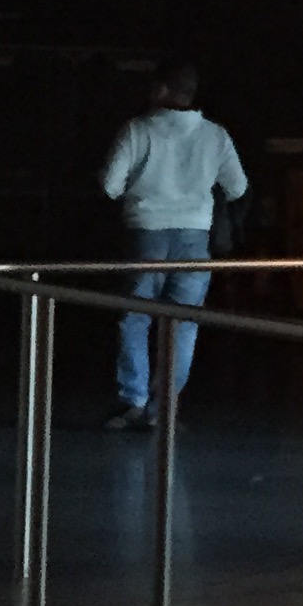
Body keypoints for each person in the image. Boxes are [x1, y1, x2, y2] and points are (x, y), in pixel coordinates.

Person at [100, 61, 247, 428]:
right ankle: (163, 409)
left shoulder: (136, 130)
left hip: (145, 233)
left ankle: (132, 399)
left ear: (161, 90)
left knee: (135, 317)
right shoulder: (216, 135)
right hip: (195, 236)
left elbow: (109, 186)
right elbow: (238, 187)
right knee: (183, 323)